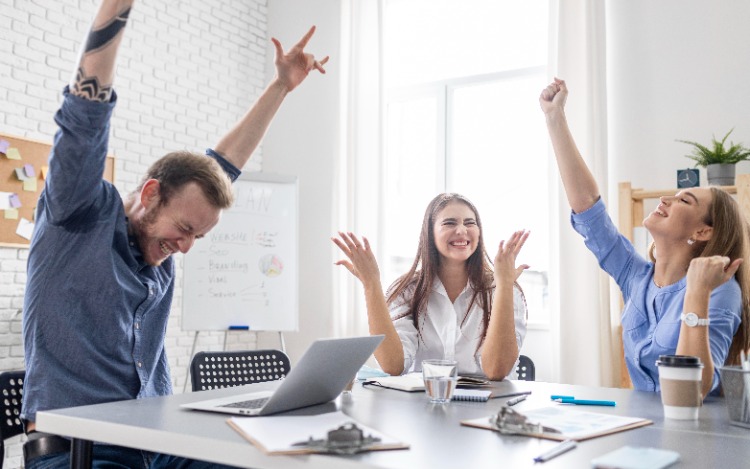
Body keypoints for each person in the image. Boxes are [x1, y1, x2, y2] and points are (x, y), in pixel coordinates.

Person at [21, 1, 328, 467]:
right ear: (150, 193)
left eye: (196, 239)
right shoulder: (77, 214)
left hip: (155, 442)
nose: (183, 247)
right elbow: (84, 118)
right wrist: (116, 9)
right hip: (77, 450)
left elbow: (221, 167)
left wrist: (281, 87)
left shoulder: (162, 242)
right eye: (183, 230)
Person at [539, 78, 750, 397]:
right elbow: (588, 210)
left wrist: (696, 291)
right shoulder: (637, 277)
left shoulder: (720, 292)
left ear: (703, 231)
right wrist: (555, 118)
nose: (666, 199)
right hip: (646, 429)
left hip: (701, 436)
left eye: (685, 200)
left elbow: (692, 391)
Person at [332, 193, 528, 380]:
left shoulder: (503, 288)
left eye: (470, 223)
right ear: (430, 233)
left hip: (489, 407)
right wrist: (371, 284)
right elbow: (393, 365)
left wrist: (503, 286)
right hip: (424, 404)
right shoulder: (406, 291)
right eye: (450, 223)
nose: (461, 230)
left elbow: (496, 370)